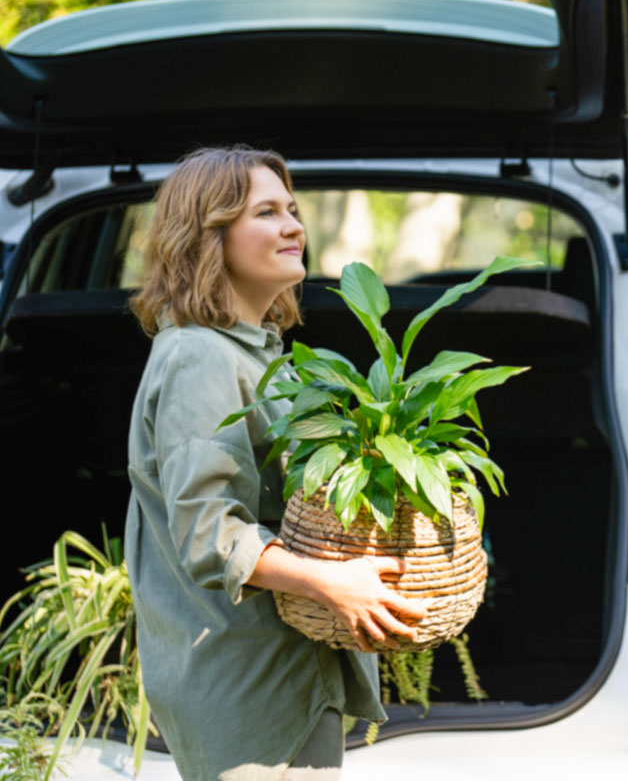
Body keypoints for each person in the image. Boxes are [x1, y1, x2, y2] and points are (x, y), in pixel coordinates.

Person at [124, 144, 428, 780]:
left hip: (283, 675)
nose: (294, 225)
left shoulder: (263, 358)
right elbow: (210, 533)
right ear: (208, 235)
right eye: (267, 212)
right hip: (247, 690)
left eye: (292, 209)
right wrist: (332, 584)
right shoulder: (200, 356)